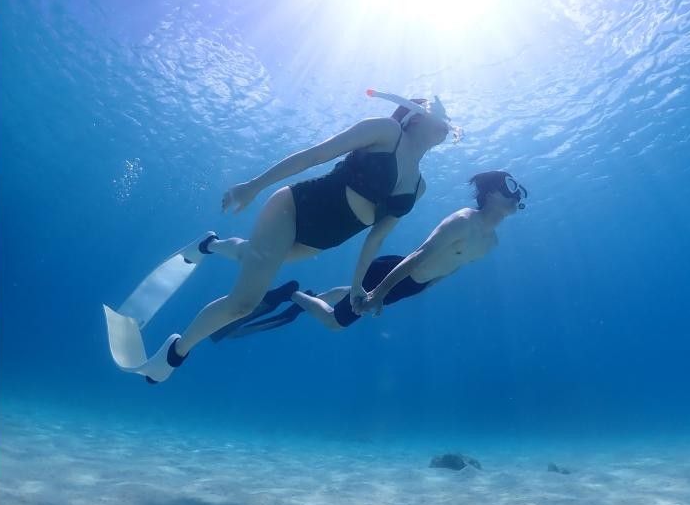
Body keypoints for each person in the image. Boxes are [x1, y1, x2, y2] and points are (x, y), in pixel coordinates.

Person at [138, 91, 457, 384]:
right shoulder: (386, 131)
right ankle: (173, 353)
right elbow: (314, 157)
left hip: (317, 242)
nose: (446, 127)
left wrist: (358, 285)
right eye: (440, 119)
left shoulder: (419, 187)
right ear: (416, 116)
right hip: (293, 210)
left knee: (252, 254)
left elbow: (375, 238)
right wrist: (253, 186)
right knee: (243, 304)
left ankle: (209, 244)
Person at [210, 171, 526, 339]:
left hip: (408, 286)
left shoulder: (491, 243)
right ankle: (293, 295)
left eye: (519, 192)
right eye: (510, 187)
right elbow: (417, 256)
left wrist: (421, 290)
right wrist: (377, 293)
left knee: (350, 295)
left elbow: (452, 267)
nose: (516, 196)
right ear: (492, 193)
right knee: (336, 323)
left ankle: (315, 295)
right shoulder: (463, 221)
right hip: (393, 273)